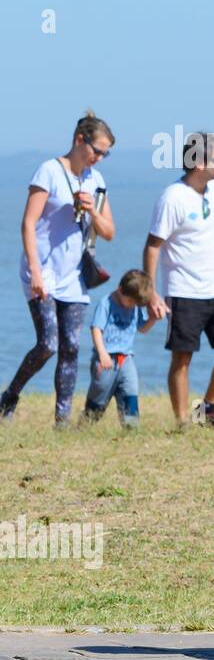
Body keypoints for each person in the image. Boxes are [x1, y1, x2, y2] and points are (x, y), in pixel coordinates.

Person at [1, 110, 117, 427]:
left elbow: (108, 232)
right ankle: (9, 396)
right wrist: (36, 272)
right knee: (48, 345)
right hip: (42, 272)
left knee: (71, 347)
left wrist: (93, 210)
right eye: (97, 150)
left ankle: (62, 420)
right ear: (80, 140)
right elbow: (27, 223)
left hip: (74, 275)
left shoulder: (96, 181)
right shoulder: (49, 172)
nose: (99, 158)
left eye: (105, 154)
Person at [142, 133, 214, 429]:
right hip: (183, 291)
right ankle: (183, 422)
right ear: (198, 162)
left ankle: (207, 408)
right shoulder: (172, 197)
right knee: (182, 358)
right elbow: (152, 246)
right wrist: (151, 294)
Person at [82, 270, 159, 427]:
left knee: (130, 391)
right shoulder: (106, 303)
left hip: (126, 358)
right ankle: (86, 424)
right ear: (120, 289)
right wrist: (102, 353)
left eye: (135, 303)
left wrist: (153, 319)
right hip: (105, 360)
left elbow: (142, 328)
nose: (132, 305)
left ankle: (131, 426)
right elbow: (96, 329)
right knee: (99, 396)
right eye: (130, 301)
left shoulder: (135, 306)